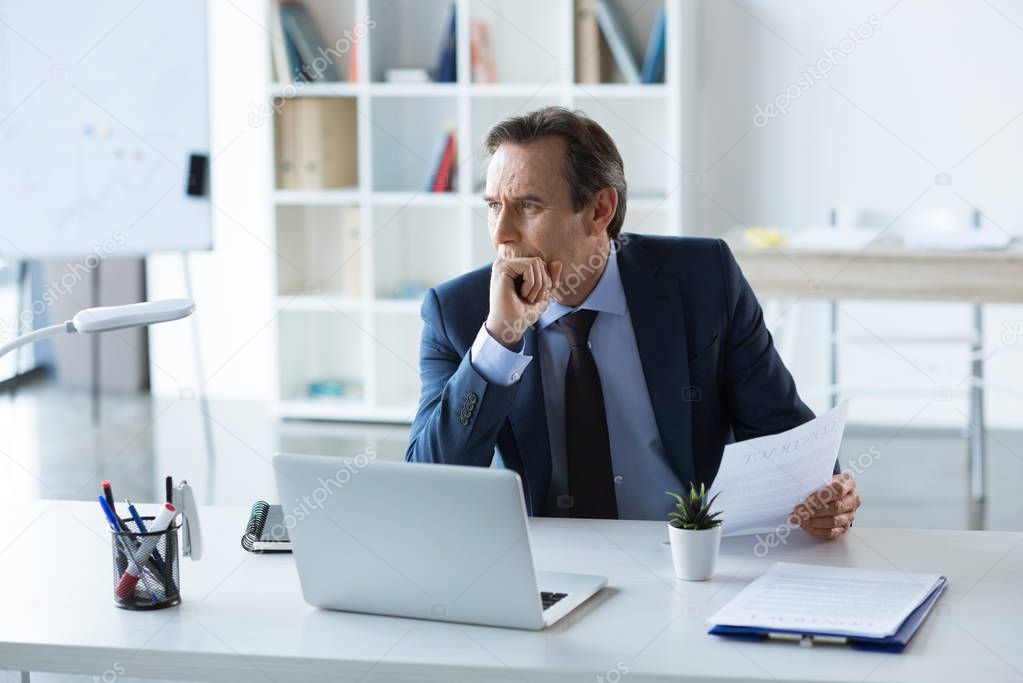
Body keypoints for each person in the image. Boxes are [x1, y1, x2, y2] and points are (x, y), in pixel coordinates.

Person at [405, 106, 860, 539]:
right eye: (492, 206)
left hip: (687, 552)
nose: (502, 233)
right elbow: (429, 486)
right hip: (549, 562)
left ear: (601, 209)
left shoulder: (703, 279)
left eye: (528, 207)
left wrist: (822, 493)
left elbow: (782, 431)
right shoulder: (459, 313)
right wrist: (500, 341)